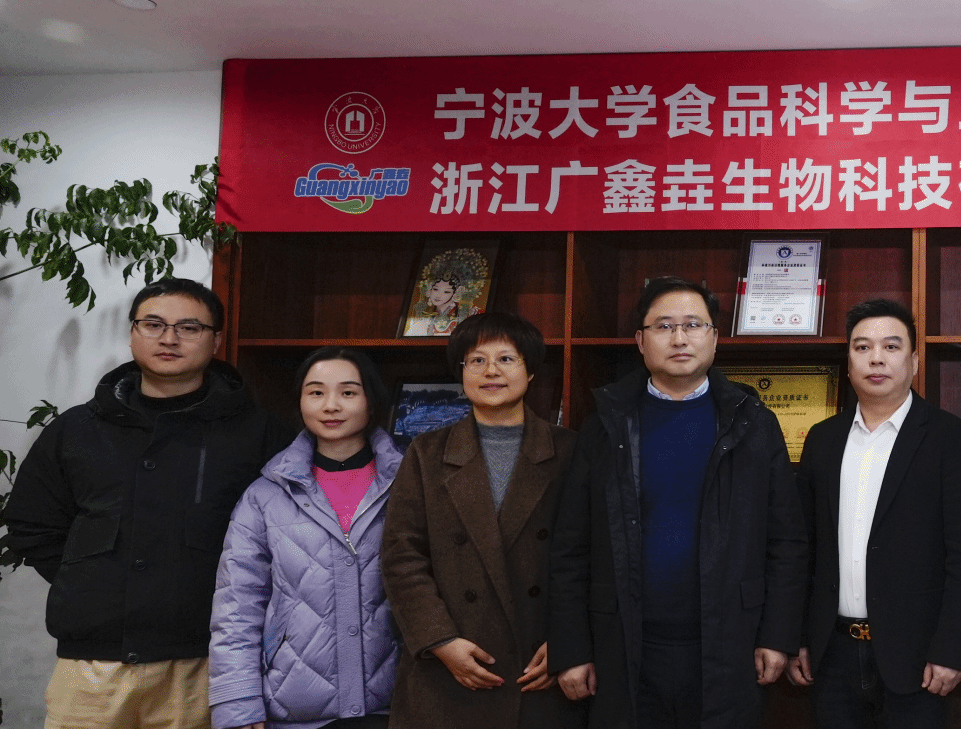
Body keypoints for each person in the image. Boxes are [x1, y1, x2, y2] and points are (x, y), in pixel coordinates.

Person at [3, 277, 295, 729]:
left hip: (206, 664)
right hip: (92, 670)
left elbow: (290, 539)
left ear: (216, 340)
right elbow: (31, 524)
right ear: (133, 333)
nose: (169, 339)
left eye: (189, 328)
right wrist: (89, 581)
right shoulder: (75, 430)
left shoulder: (260, 434)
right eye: (153, 324)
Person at [550, 277, 808, 729]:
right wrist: (572, 649)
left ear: (714, 337)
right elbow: (571, 546)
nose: (679, 338)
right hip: (622, 644)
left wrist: (778, 635)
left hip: (730, 643)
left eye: (693, 324)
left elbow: (786, 541)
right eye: (664, 326)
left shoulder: (753, 424)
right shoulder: (606, 424)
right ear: (640, 341)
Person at [787, 298, 961, 729]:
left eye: (891, 347)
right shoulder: (822, 440)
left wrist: (953, 648)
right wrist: (799, 637)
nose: (876, 358)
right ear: (848, 363)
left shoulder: (953, 439)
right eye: (862, 347)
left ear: (914, 362)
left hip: (918, 658)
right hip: (832, 654)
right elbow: (805, 547)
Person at [381, 312, 582, 729]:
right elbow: (402, 556)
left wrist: (569, 641)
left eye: (506, 359)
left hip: (540, 666)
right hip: (449, 670)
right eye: (476, 360)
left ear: (530, 371)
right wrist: (440, 640)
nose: (491, 371)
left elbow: (592, 553)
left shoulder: (570, 451)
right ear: (461, 372)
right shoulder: (427, 453)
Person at [210, 347, 406, 729]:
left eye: (348, 392)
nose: (331, 405)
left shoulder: (411, 484)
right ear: (300, 401)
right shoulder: (265, 496)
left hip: (398, 705)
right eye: (316, 392)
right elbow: (237, 606)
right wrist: (238, 703)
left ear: (371, 401)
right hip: (295, 710)